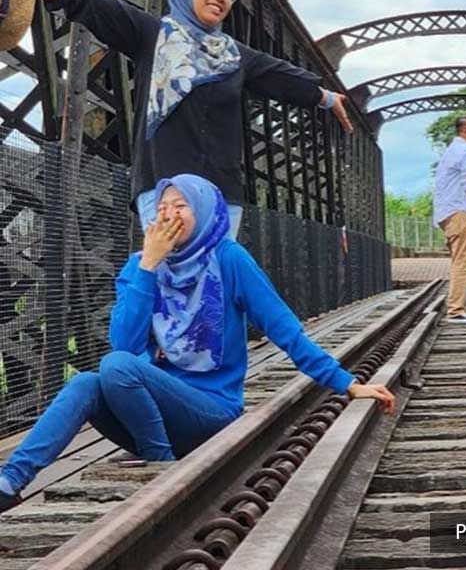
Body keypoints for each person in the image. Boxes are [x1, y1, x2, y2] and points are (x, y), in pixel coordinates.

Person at [0, 174, 393, 513]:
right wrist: (148, 266)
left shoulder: (229, 258)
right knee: (87, 381)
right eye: (163, 206)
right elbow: (122, 340)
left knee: (116, 367)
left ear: (204, 210)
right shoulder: (141, 266)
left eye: (181, 205)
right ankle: (9, 483)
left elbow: (285, 331)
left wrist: (348, 384)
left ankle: (161, 465)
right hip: (152, 412)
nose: (169, 213)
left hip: (212, 412)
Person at [24, 0, 352, 236]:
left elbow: (280, 77)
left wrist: (324, 97)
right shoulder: (152, 35)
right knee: (173, 282)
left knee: (214, 288)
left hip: (221, 194)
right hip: (165, 188)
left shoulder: (235, 56)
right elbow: (95, 4)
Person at [433, 117, 466, 323]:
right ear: (464, 131)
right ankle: (456, 310)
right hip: (459, 211)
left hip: (447, 212)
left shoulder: (451, 151)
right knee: (463, 261)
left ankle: (457, 307)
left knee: (459, 260)